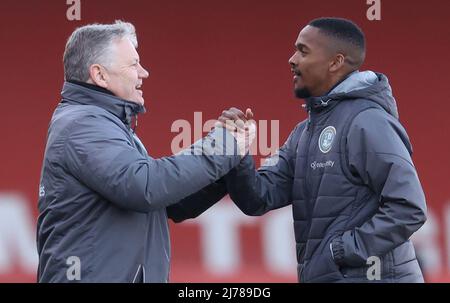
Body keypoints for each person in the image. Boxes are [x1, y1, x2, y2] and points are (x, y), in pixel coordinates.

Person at [36, 21, 252, 283]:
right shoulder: (83, 123)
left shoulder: (102, 121)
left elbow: (170, 201)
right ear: (100, 75)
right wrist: (222, 147)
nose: (144, 73)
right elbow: (146, 186)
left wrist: (227, 161)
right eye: (133, 64)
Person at [219, 17, 427, 282]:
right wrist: (238, 151)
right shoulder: (303, 133)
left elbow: (409, 208)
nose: (292, 60)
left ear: (335, 62)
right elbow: (258, 197)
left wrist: (340, 252)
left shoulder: (368, 121)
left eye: (303, 51)